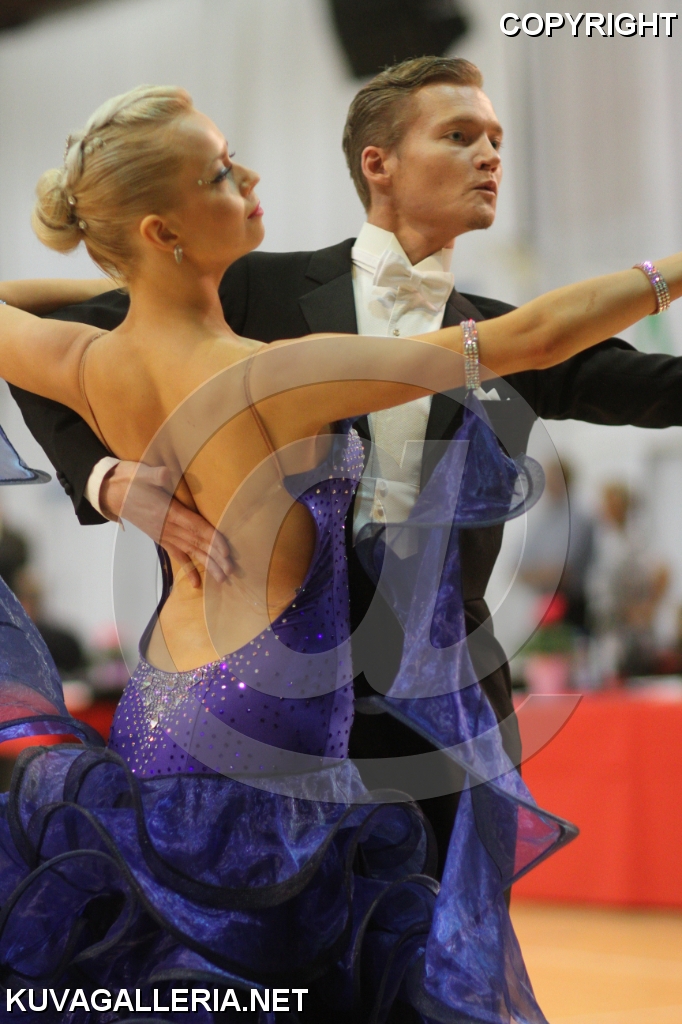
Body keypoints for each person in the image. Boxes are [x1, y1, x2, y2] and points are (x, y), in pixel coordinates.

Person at [1, 84, 682, 1024]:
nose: (250, 178)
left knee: (180, 969)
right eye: (221, 173)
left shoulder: (87, 361)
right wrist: (669, 270)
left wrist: (117, 286)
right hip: (267, 721)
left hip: (162, 715)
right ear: (164, 232)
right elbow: (529, 339)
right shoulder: (273, 371)